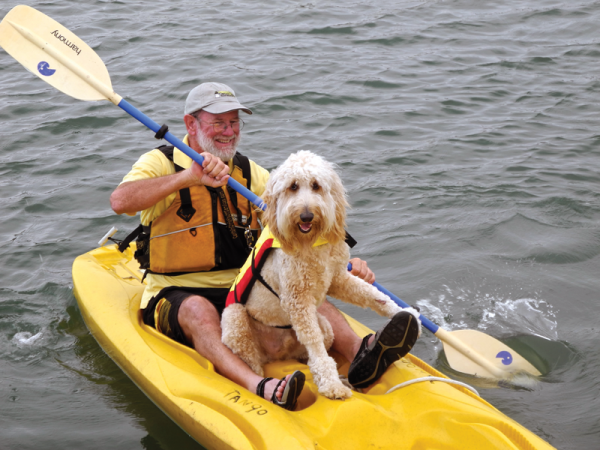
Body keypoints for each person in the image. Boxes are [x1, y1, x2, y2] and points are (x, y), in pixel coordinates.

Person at [110, 82, 420, 407]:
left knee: (305, 292)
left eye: (233, 122)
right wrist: (187, 177)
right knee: (199, 312)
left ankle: (363, 355)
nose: (228, 131)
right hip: (175, 290)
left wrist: (345, 262)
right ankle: (259, 385)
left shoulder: (249, 172)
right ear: (191, 125)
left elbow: (300, 222)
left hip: (241, 288)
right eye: (218, 123)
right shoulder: (161, 162)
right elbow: (120, 201)